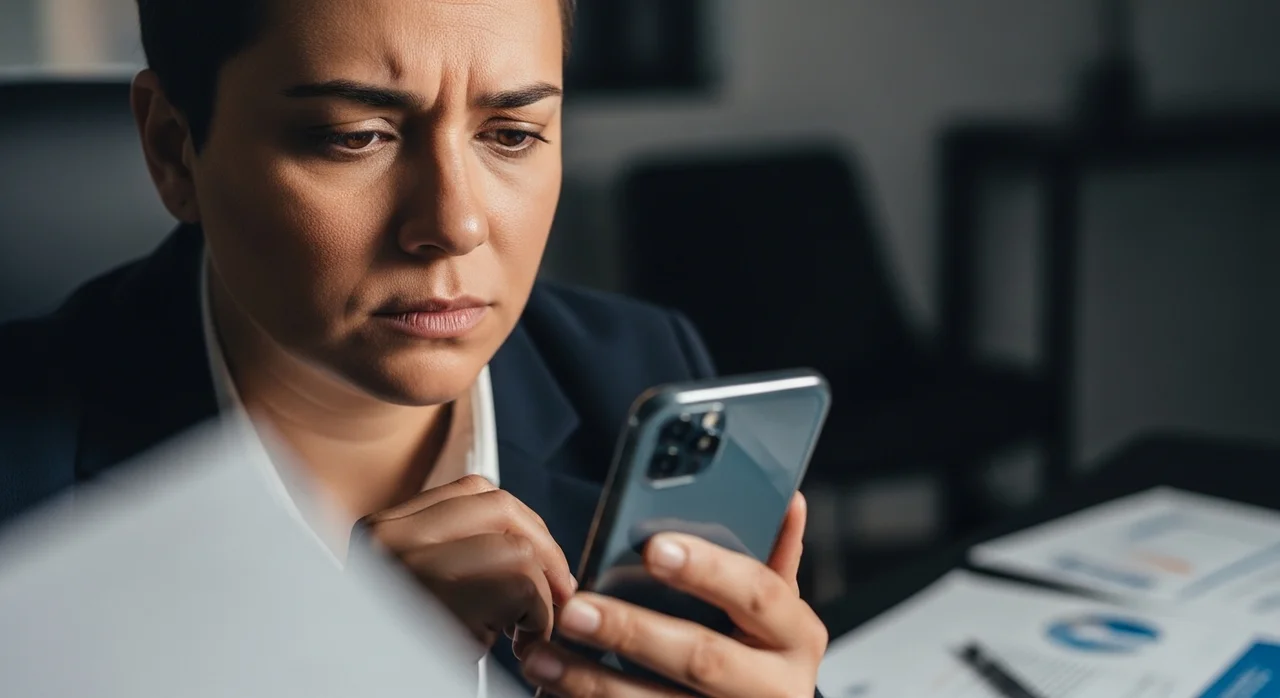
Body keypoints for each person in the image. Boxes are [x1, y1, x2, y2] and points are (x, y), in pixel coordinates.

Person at [0, 0, 829, 696]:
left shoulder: (640, 367)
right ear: (173, 149)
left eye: (510, 133)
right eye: (355, 136)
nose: (455, 225)